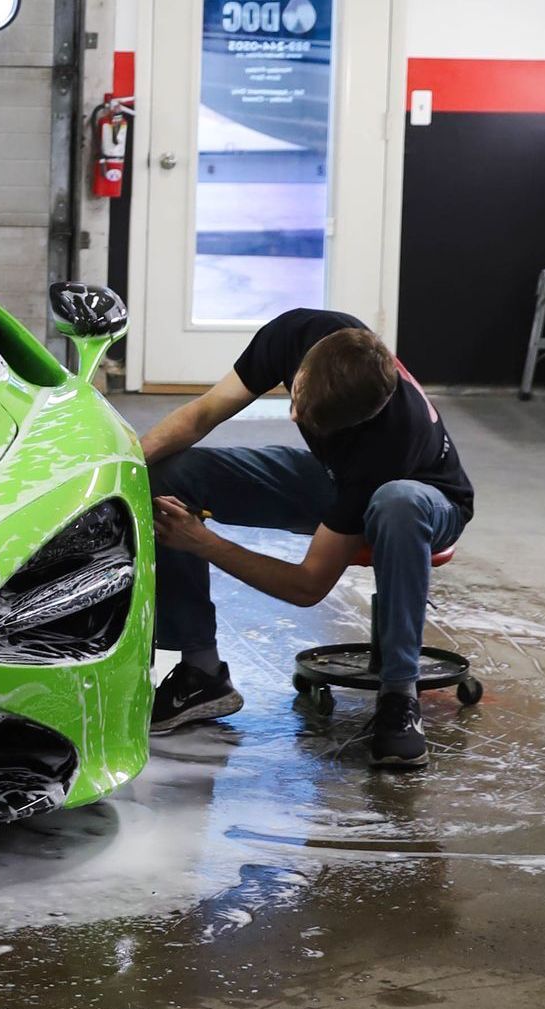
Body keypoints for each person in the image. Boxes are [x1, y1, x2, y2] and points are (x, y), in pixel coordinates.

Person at [141, 308, 473, 768]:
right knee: (167, 475)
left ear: (357, 420)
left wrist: (201, 541)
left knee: (397, 503)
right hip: (337, 478)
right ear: (304, 367)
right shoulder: (300, 333)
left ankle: (399, 695)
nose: (294, 414)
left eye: (311, 420)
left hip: (427, 503)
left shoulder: (387, 442)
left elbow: (308, 586)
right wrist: (124, 466)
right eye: (295, 398)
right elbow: (202, 414)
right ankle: (202, 672)